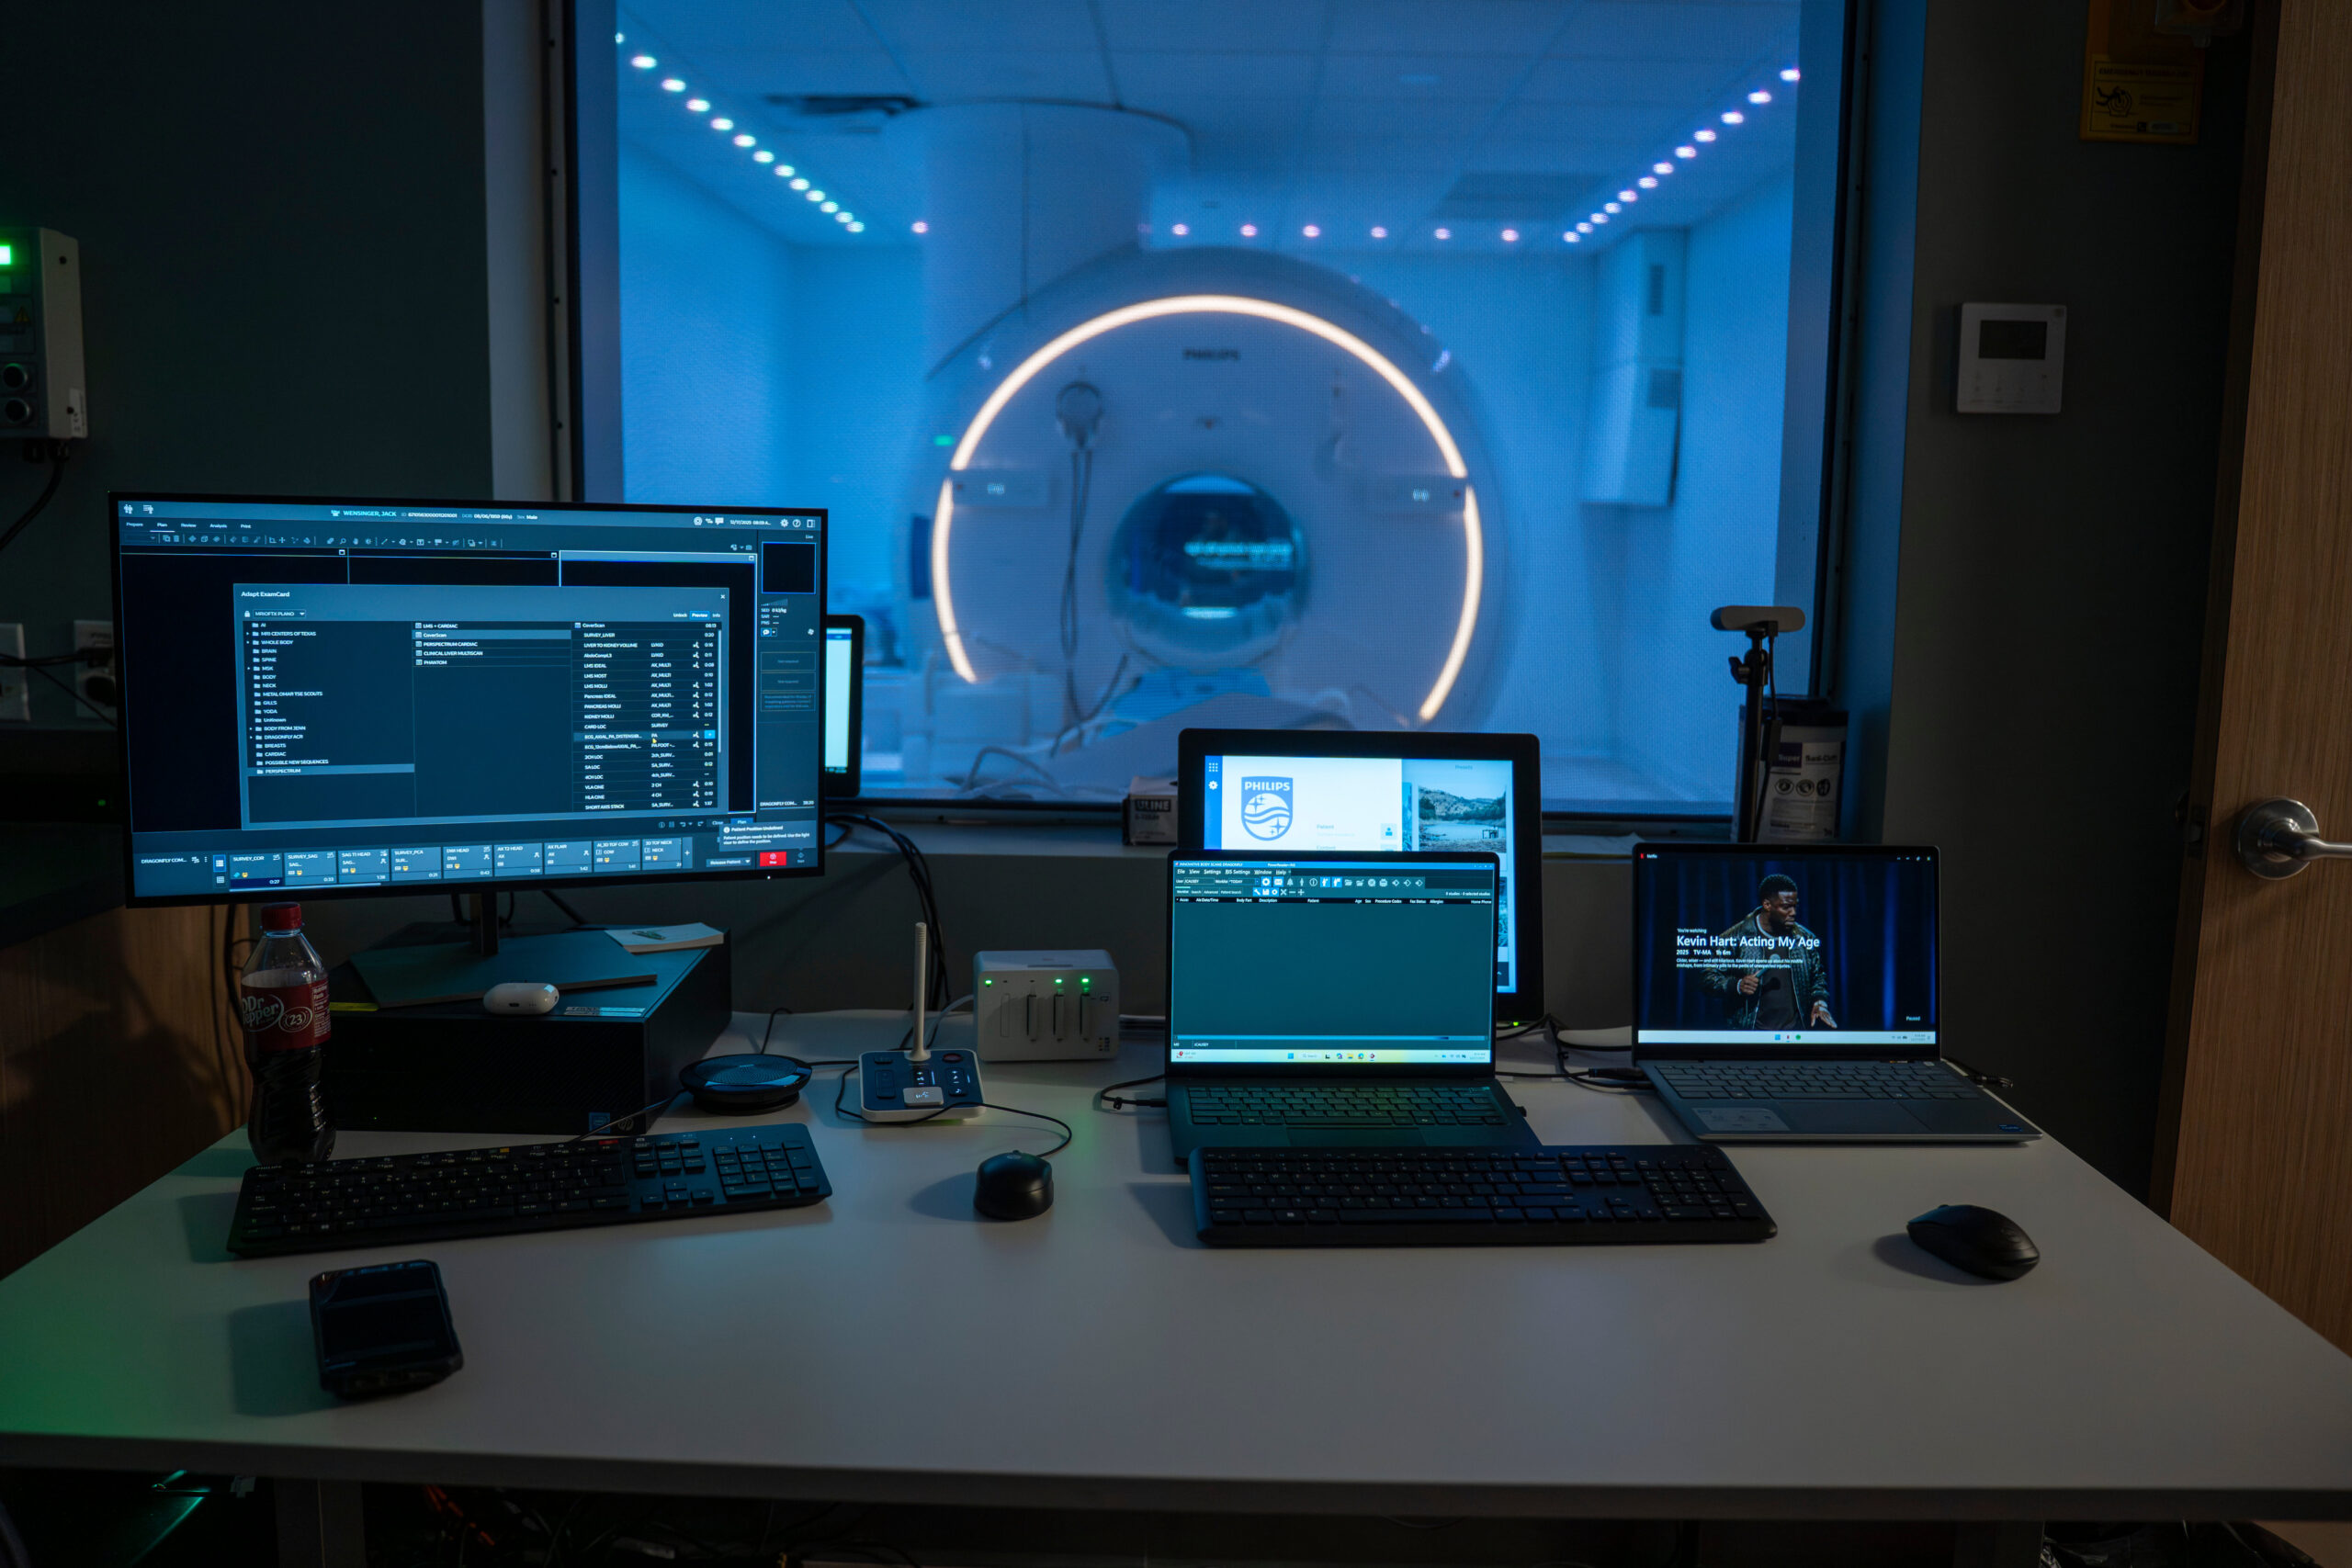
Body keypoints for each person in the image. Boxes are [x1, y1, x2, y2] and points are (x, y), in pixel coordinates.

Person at [1702, 873, 1836, 1030]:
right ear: (1767, 904)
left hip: (1794, 1035)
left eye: (1795, 906)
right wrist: (1737, 985)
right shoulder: (1735, 938)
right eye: (1786, 907)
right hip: (1750, 1035)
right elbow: (1708, 977)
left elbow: (1818, 977)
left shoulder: (1804, 938)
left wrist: (1820, 1002)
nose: (1793, 912)